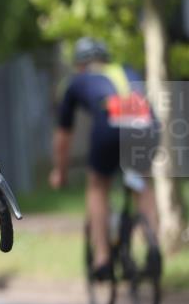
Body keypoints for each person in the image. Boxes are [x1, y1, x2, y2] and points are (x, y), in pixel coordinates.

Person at [49, 36, 161, 281]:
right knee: (143, 183)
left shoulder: (74, 81)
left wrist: (60, 172)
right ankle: (154, 247)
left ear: (79, 64)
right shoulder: (126, 69)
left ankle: (102, 259)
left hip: (110, 125)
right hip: (146, 123)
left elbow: (63, 137)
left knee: (97, 187)